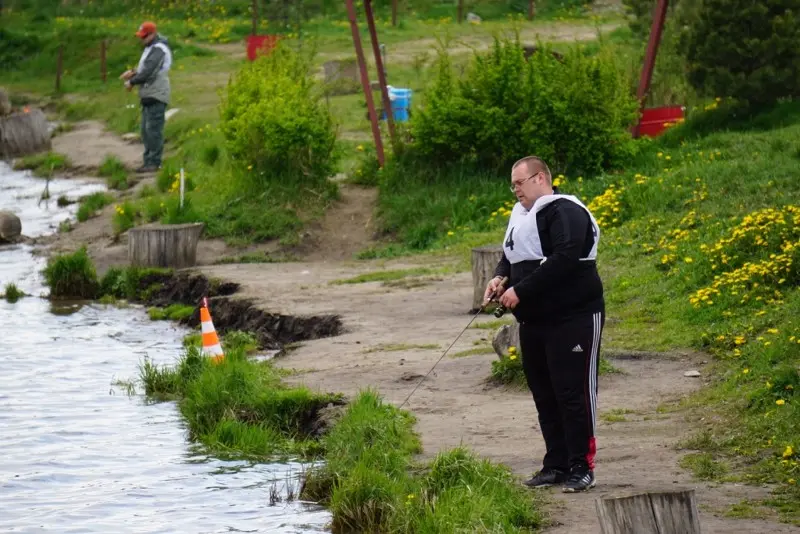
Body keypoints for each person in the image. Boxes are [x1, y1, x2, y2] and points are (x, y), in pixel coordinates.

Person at [483, 155, 605, 493]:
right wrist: (499, 278)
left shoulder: (566, 210)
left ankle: (583, 466)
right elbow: (511, 254)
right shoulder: (521, 214)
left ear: (540, 178)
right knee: (545, 394)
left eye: (519, 183)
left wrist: (520, 290)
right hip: (535, 320)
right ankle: (557, 464)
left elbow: (565, 258)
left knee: (573, 393)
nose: (515, 190)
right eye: (513, 185)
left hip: (574, 316)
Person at [120, 21, 172, 173]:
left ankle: (154, 163)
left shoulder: (159, 49)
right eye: (140, 36)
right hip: (148, 95)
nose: (141, 39)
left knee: (153, 130)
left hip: (157, 94)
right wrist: (133, 72)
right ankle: (148, 162)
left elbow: (150, 71)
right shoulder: (150, 48)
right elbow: (145, 68)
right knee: (145, 130)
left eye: (144, 36)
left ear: (153, 34)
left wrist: (132, 82)